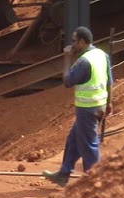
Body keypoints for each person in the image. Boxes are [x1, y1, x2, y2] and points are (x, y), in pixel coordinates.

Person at [42, 26, 111, 186]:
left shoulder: (83, 61)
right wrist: (109, 103)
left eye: (74, 41)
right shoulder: (102, 55)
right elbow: (109, 81)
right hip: (99, 105)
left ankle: (93, 182)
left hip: (87, 109)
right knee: (73, 139)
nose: (72, 44)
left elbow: (67, 81)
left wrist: (67, 58)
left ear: (81, 41)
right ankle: (63, 174)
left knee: (89, 146)